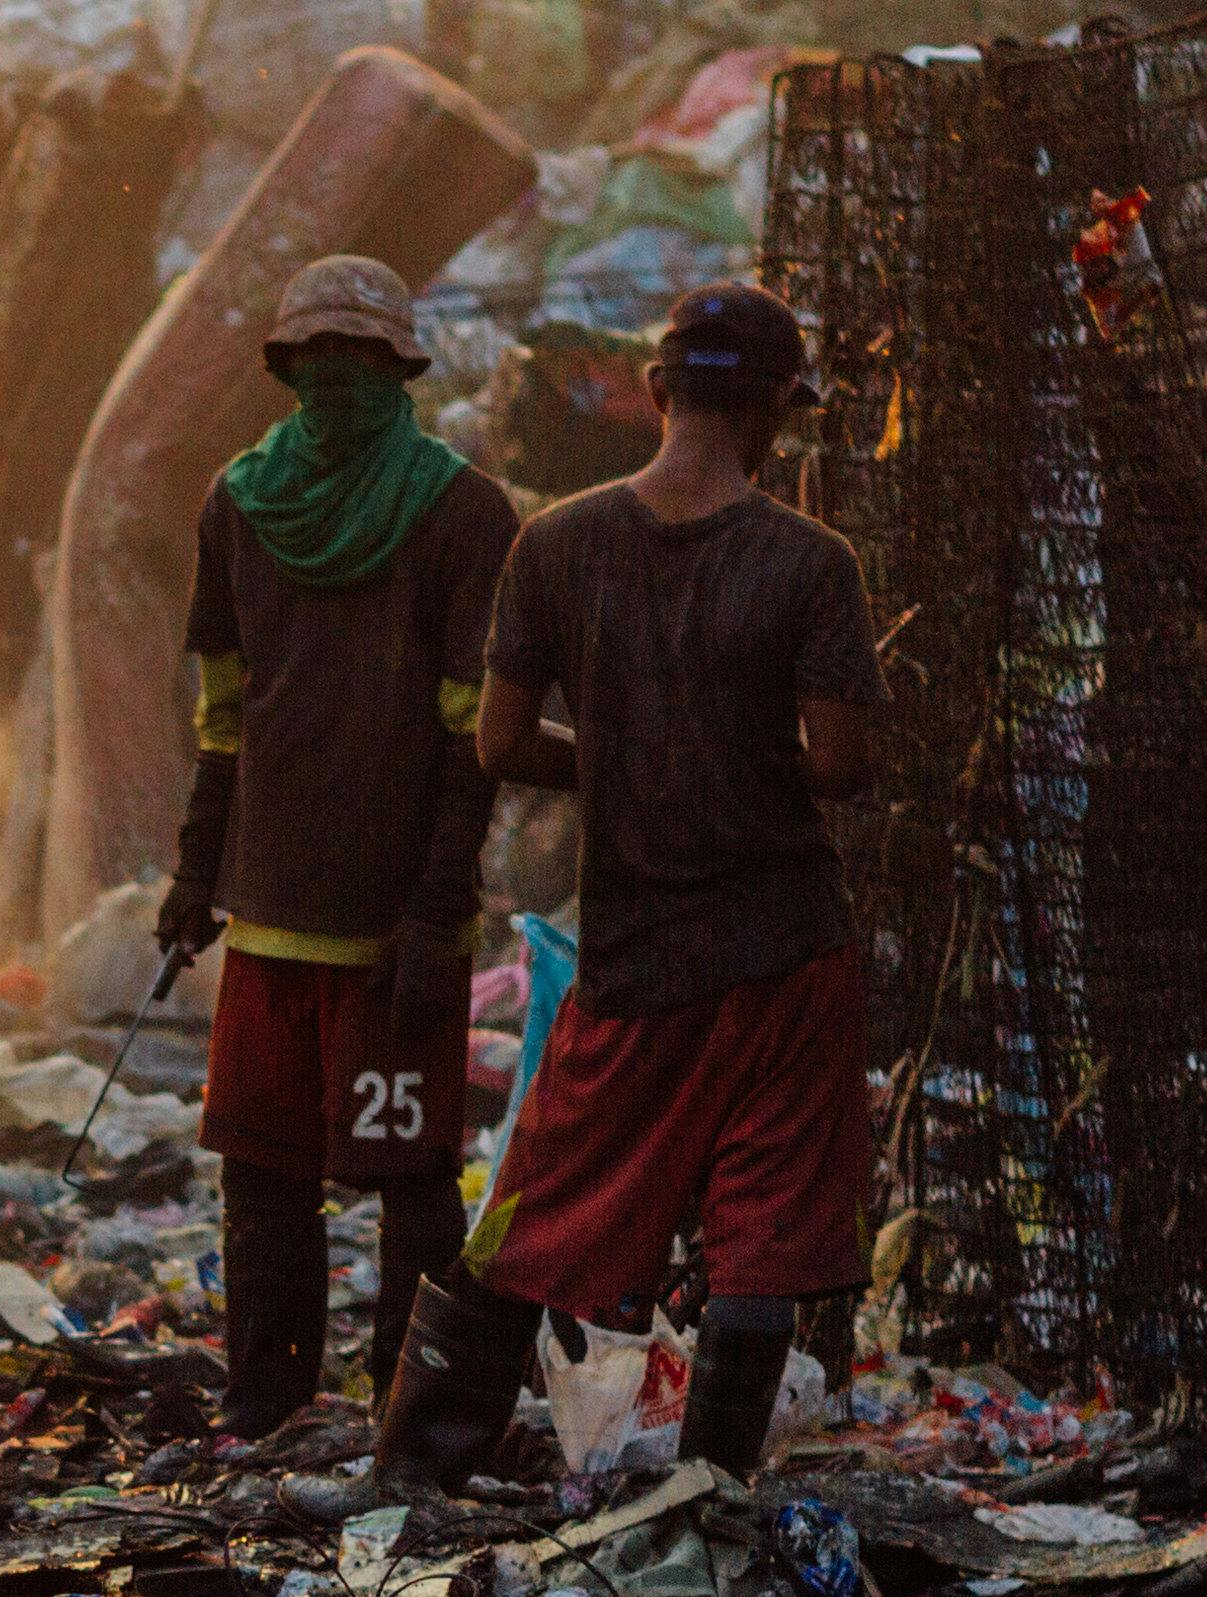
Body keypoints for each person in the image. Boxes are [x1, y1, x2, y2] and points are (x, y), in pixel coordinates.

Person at [341, 282, 882, 1501]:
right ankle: (708, 1503)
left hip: (635, 952)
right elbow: (845, 766)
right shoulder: (810, 564)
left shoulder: (556, 544)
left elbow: (495, 742)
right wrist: (730, 757)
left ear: (655, 395)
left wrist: (622, 759)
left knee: (534, 1197)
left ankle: (408, 1469)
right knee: (762, 1228)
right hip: (786, 949)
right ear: (772, 417)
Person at [156, 257, 514, 1440]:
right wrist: (190, 878)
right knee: (261, 1175)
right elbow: (223, 716)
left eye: (355, 361)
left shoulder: (464, 513)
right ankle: (265, 1408)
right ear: (285, 369)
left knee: (409, 1179)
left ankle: (405, 1417)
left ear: (396, 368)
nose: (334, 380)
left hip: (394, 928)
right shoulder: (237, 503)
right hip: (265, 913)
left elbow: (474, 735)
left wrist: (433, 910)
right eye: (316, 360)